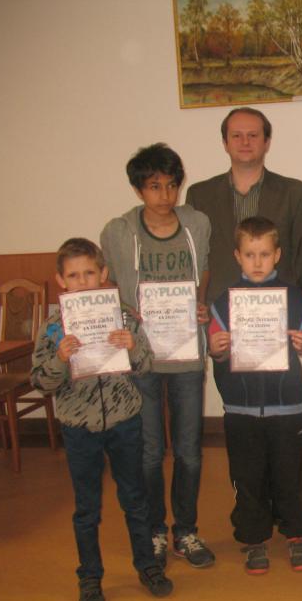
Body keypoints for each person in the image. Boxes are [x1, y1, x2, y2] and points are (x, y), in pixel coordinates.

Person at [31, 238, 172, 601]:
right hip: (79, 428)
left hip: (125, 422)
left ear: (103, 273)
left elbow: (146, 365)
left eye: (89, 273)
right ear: (61, 280)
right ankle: (90, 577)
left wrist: (132, 347)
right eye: (73, 276)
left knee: (135, 499)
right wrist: (60, 359)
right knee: (86, 508)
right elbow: (41, 381)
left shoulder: (123, 316)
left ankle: (147, 566)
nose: (83, 282)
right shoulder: (53, 328)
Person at [101, 143, 214, 569]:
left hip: (186, 355)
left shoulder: (197, 223)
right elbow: (108, 284)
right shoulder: (118, 231)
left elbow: (203, 270)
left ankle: (185, 530)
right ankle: (153, 531)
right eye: (154, 186)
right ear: (138, 190)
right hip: (141, 357)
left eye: (170, 185)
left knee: (189, 450)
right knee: (149, 452)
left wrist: (200, 304)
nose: (164, 195)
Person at [208, 216, 302, 574]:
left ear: (277, 255)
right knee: (247, 475)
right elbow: (217, 352)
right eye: (250, 254)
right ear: (237, 256)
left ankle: (297, 533)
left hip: (286, 405)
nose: (257, 262)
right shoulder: (223, 303)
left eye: (265, 254)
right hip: (241, 407)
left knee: (291, 473)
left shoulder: (295, 298)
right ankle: (254, 538)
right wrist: (217, 349)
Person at [187, 106, 302, 304]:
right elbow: (194, 258)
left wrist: (281, 295)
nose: (245, 142)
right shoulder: (199, 196)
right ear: (225, 143)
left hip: (276, 306)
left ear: (267, 142)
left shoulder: (295, 193)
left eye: (253, 135)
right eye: (236, 136)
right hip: (218, 309)